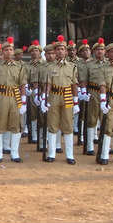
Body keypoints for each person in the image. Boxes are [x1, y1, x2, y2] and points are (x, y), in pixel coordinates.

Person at [0, 37, 27, 163]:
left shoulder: (19, 67)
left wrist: (23, 102)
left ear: (13, 51)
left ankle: (14, 153)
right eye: (6, 50)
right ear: (2, 52)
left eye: (11, 49)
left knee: (15, 125)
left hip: (15, 98)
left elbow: (22, 85)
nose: (9, 51)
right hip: (0, 98)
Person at [41, 35, 79, 164]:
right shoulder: (50, 67)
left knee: (68, 126)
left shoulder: (72, 66)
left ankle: (70, 155)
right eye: (58, 49)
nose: (60, 51)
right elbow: (48, 84)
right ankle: (51, 154)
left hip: (68, 96)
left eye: (62, 49)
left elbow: (74, 84)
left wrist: (76, 101)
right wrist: (44, 99)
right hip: (54, 96)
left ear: (66, 51)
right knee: (52, 125)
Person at [81, 38, 107, 155]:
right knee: (91, 119)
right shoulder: (89, 64)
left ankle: (105, 145)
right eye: (97, 49)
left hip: (107, 94)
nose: (100, 51)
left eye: (102, 49)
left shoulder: (109, 64)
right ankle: (90, 145)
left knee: (106, 120)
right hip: (93, 92)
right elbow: (84, 80)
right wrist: (84, 92)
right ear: (94, 51)